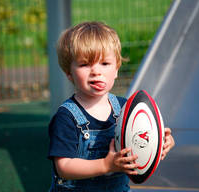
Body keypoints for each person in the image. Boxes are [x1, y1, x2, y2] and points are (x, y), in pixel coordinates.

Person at [48, 21, 175, 192]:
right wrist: (105, 165)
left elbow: (138, 144)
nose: (96, 71)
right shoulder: (67, 117)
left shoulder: (125, 109)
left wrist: (158, 143)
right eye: (85, 64)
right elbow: (64, 167)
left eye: (105, 63)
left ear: (116, 69)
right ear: (69, 73)